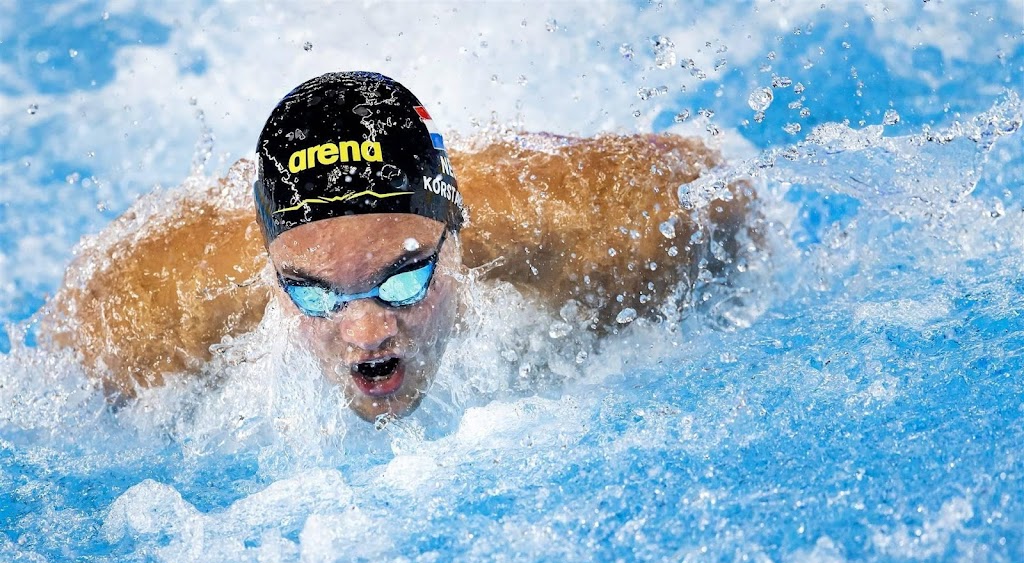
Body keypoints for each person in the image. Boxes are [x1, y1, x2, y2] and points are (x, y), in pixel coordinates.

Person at [43, 72, 762, 423]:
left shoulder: (588, 232)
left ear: (454, 236)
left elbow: (720, 189)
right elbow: (66, 356)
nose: (364, 333)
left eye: (402, 280)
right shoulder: (155, 321)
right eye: (313, 293)